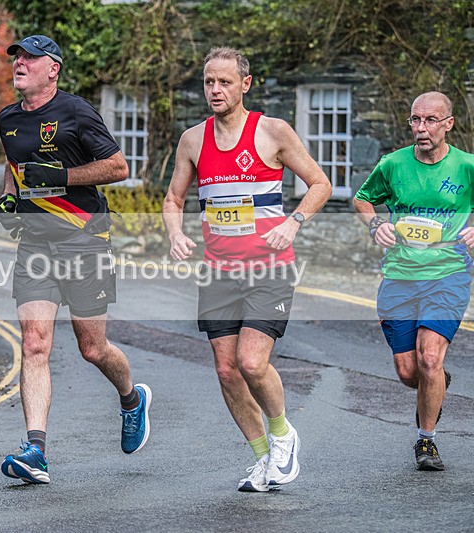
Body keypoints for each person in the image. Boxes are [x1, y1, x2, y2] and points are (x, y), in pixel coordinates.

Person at [163, 47, 331, 492]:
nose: (215, 90)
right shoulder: (192, 140)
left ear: (245, 84)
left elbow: (320, 184)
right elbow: (173, 199)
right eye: (208, 82)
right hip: (218, 271)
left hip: (269, 268)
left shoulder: (272, 132)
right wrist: (176, 234)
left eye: (224, 82)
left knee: (252, 362)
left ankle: (283, 435)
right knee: (225, 370)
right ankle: (263, 458)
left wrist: (293, 223)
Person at [0, 34, 151, 485]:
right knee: (34, 343)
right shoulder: (7, 117)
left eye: (29, 58)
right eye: (16, 57)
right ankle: (35, 450)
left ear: (53, 69)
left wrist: (61, 175)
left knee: (92, 348)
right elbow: (14, 164)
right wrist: (9, 199)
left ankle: (130, 397)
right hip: (35, 245)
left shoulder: (76, 111)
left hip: (84, 240)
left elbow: (118, 168)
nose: (19, 63)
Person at [353, 91, 474, 471]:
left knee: (430, 357)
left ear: (448, 124)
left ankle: (427, 442)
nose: (421, 128)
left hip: (448, 275)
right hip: (400, 277)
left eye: (431, 120)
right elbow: (362, 200)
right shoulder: (393, 164)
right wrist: (375, 223)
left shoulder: (467, 167)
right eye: (415, 120)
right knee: (410, 371)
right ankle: (436, 381)